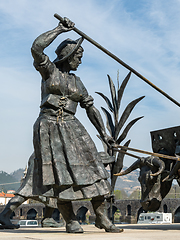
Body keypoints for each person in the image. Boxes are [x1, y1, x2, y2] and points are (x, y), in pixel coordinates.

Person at [28, 17, 122, 233]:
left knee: (95, 169)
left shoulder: (77, 81)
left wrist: (104, 134)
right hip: (48, 125)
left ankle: (101, 217)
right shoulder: (49, 71)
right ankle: (70, 219)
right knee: (58, 176)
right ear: (67, 56)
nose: (80, 61)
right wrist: (59, 29)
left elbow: (90, 107)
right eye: (78, 57)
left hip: (72, 125)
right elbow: (36, 47)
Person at [0, 154, 63, 229]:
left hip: (48, 157)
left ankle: (48, 218)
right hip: (42, 158)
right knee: (26, 191)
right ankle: (4, 215)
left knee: (52, 188)